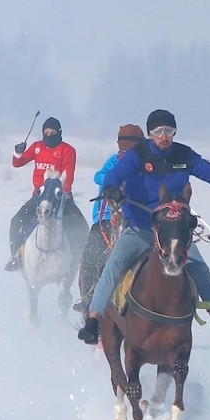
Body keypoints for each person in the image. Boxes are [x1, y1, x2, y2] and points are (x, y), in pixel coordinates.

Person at [77, 109, 210, 346]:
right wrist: (110, 187)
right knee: (115, 264)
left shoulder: (184, 155)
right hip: (141, 227)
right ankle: (94, 320)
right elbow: (115, 174)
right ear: (150, 134)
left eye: (169, 131)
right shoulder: (138, 155)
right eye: (158, 132)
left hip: (174, 231)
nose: (164, 136)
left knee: (199, 266)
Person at [72, 124, 144, 316]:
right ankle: (88, 299)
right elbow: (99, 176)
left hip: (137, 220)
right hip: (105, 220)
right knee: (90, 259)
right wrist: (115, 181)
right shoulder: (114, 160)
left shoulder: (146, 164)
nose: (125, 150)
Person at [5, 116, 88, 273]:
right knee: (17, 221)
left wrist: (62, 193)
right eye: (46, 132)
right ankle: (16, 256)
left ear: (59, 133)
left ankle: (84, 259)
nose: (49, 135)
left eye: (52, 133)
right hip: (40, 197)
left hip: (60, 197)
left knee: (81, 226)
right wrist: (18, 153)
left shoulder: (67, 150)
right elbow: (18, 163)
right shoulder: (37, 147)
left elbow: (68, 176)